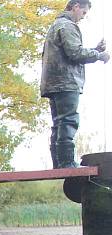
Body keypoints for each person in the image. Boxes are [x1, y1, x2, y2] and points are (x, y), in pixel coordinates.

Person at [41, 0, 109, 168]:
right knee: (68, 121)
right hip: (66, 82)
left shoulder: (57, 25)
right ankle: (66, 162)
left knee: (58, 123)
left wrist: (95, 50)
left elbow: (69, 53)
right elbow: (75, 53)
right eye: (84, 12)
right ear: (76, 6)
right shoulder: (67, 25)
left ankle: (59, 163)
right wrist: (99, 55)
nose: (83, 17)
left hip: (54, 82)